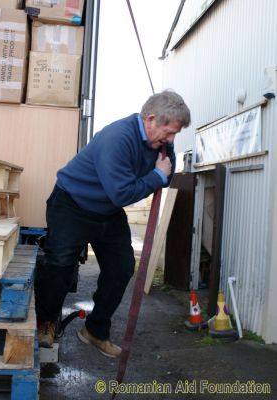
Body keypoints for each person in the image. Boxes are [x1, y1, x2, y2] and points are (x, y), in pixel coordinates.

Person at [35, 90, 191, 357]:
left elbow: (167, 171)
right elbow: (124, 192)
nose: (171, 139)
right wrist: (157, 174)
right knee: (60, 264)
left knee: (121, 268)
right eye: (169, 132)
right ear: (150, 119)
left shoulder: (161, 142)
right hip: (72, 203)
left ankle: (95, 331)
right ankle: (46, 323)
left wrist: (162, 167)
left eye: (175, 134)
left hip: (106, 211)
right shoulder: (118, 138)